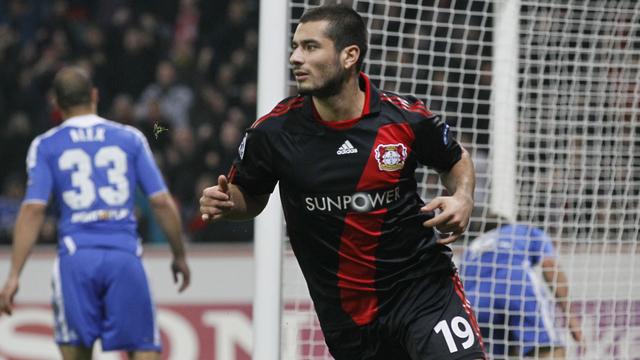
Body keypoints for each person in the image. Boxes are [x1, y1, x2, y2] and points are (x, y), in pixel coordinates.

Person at [200, 5, 484, 360]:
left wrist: (463, 197)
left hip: (423, 289)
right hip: (348, 319)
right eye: (294, 47)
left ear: (350, 55)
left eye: (310, 47)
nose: (294, 58)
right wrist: (228, 204)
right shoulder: (273, 133)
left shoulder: (405, 119)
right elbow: (250, 197)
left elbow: (456, 160)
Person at [0, 66, 191, 360]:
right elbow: (162, 202)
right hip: (124, 254)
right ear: (94, 95)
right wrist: (178, 255)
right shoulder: (130, 138)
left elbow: (33, 210)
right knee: (142, 349)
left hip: (77, 258)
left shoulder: (46, 145)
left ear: (56, 103)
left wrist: (14, 275)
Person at [460, 214, 583, 358]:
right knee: (547, 349)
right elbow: (550, 266)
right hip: (516, 285)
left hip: (477, 301)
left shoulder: (470, 250)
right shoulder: (523, 231)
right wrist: (570, 316)